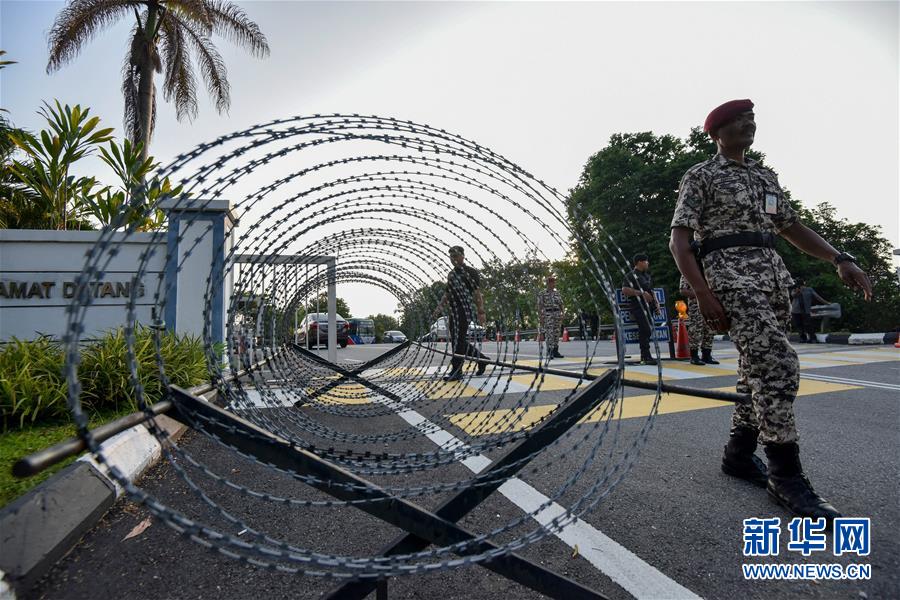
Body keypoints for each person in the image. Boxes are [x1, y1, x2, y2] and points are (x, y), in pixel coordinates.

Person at [669, 98, 872, 521]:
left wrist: (840, 258)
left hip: (772, 278)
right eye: (739, 120)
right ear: (717, 132)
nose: (749, 124)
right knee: (778, 366)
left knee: (754, 370)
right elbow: (680, 241)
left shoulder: (765, 177)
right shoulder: (701, 176)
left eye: (752, 119)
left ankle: (739, 453)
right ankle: (785, 475)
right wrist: (704, 295)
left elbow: (792, 227)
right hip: (729, 278)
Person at [433, 246, 488, 381]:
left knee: (459, 340)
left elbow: (476, 293)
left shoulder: (470, 272)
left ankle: (457, 370)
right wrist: (440, 307)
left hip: (465, 309)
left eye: (456, 256)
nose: (454, 259)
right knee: (458, 340)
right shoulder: (452, 274)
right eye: (451, 257)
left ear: (463, 256)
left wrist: (481, 311)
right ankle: (481, 360)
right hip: (454, 310)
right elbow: (448, 293)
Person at [621, 253, 660, 365]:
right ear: (639, 262)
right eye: (646, 261)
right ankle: (645, 356)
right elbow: (625, 290)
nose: (648, 263)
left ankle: (647, 355)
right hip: (639, 307)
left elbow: (651, 291)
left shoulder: (646, 276)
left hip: (649, 307)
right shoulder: (631, 275)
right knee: (645, 329)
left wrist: (656, 304)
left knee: (648, 330)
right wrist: (641, 293)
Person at [679, 274, 719, 365]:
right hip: (696, 307)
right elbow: (683, 291)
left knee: (710, 329)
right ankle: (694, 356)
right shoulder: (688, 273)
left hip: (709, 305)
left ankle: (706, 355)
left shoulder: (707, 272)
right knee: (695, 331)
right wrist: (700, 294)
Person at [791, 279, 829, 343]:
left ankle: (813, 338)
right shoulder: (794, 290)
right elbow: (793, 295)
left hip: (806, 310)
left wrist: (826, 303)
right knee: (799, 325)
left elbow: (817, 297)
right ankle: (803, 338)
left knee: (808, 325)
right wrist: (797, 291)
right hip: (796, 310)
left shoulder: (809, 289)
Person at [537, 275, 565, 359]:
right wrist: (540, 317)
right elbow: (539, 306)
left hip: (557, 314)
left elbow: (561, 304)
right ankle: (549, 351)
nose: (554, 284)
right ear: (548, 283)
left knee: (556, 333)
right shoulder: (542, 293)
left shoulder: (557, 293)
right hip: (548, 315)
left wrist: (563, 313)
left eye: (554, 282)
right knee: (549, 333)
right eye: (552, 282)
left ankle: (555, 351)